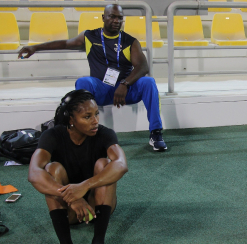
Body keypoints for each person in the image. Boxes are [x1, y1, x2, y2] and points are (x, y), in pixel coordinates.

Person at [18, 4, 167, 152]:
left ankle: (156, 133)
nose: (116, 21)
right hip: (101, 89)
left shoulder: (130, 41)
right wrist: (35, 47)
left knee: (149, 82)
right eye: (112, 16)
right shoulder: (89, 36)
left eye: (120, 18)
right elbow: (65, 43)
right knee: (83, 82)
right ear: (103, 17)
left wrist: (125, 84)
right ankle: (84, 132)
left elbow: (143, 67)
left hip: (125, 91)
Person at [28, 89, 128, 244]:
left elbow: (121, 165)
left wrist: (85, 186)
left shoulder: (105, 134)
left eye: (96, 114)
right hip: (70, 209)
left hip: (97, 206)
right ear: (71, 119)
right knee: (52, 168)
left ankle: (98, 243)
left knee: (104, 164)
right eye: (87, 117)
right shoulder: (52, 135)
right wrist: (71, 197)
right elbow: (34, 173)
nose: (95, 121)